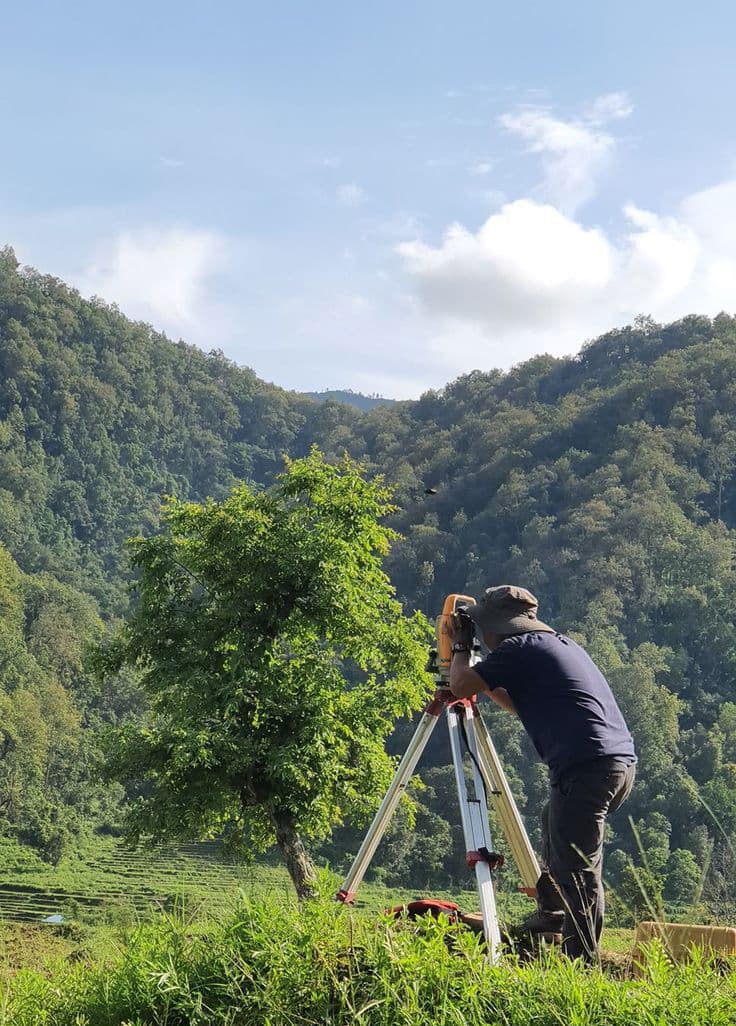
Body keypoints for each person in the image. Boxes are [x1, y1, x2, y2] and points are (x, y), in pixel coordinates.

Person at [449, 584, 636, 962]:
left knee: (579, 870)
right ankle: (552, 914)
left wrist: (460, 647)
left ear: (499, 627)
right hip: (614, 766)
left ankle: (581, 963)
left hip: (587, 768)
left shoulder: (520, 648)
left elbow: (459, 685)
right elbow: (515, 704)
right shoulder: (553, 645)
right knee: (554, 819)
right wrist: (483, 679)